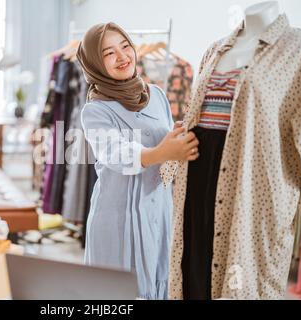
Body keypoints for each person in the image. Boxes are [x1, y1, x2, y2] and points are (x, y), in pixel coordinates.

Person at [76, 22, 199, 299]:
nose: (122, 57)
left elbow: (167, 153)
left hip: (158, 210)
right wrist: (163, 152)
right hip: (117, 216)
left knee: (159, 281)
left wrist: (180, 141)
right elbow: (115, 154)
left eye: (125, 46)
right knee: (119, 293)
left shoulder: (156, 95)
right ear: (95, 63)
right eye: (109, 53)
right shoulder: (94, 110)